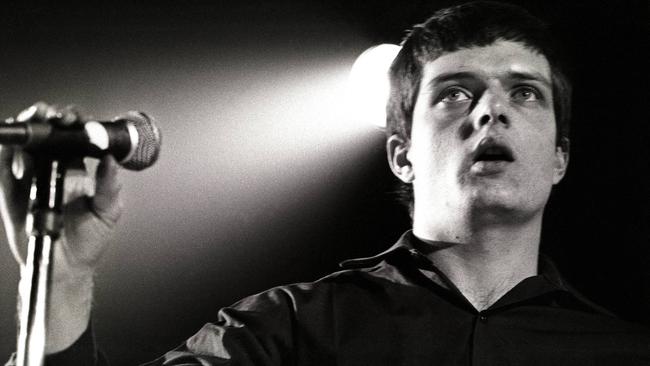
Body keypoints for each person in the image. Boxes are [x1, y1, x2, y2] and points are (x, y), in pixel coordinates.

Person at [3, 1, 649, 365]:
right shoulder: (287, 330)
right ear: (401, 156)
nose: (490, 110)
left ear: (561, 158)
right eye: (455, 93)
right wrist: (56, 282)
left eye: (525, 93)